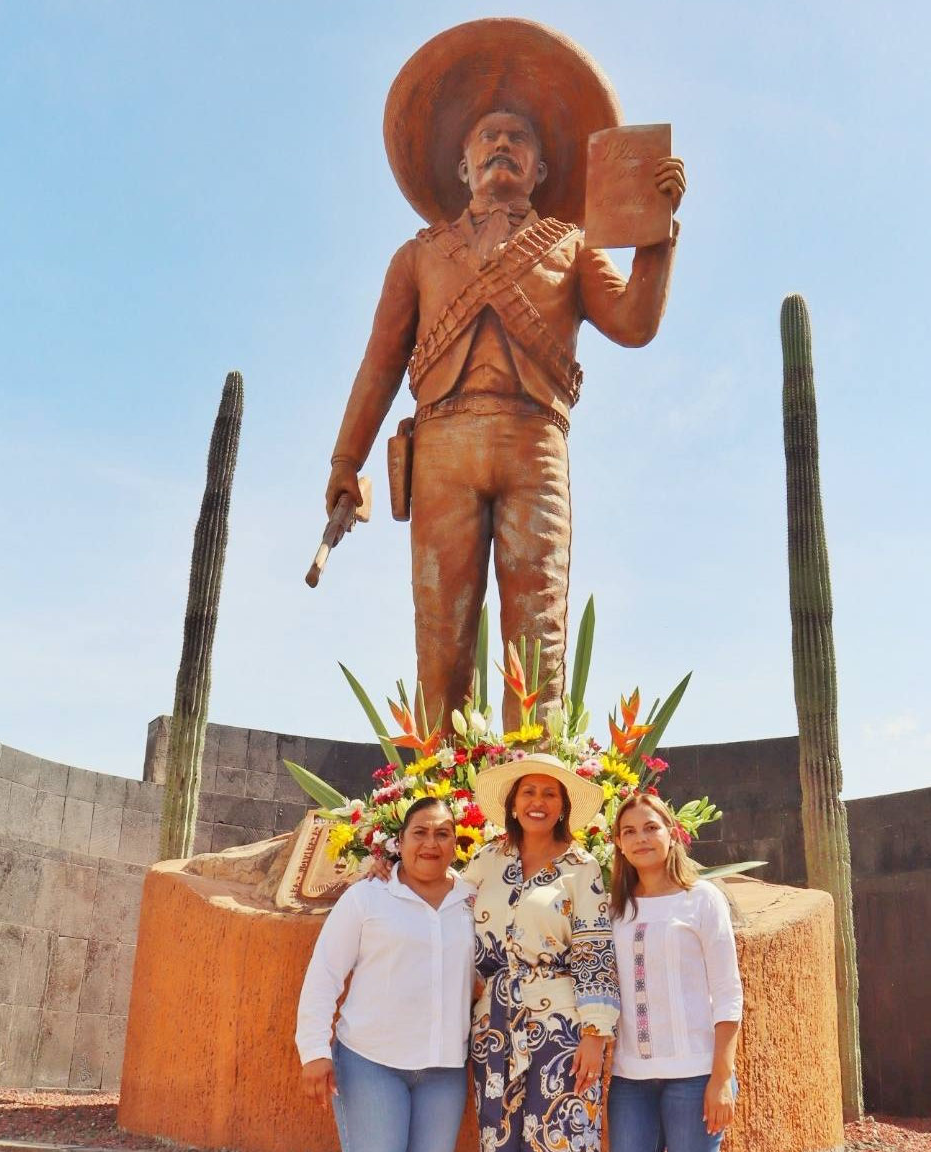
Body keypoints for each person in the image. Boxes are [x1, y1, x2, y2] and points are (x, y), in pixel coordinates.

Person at [323, 19, 686, 729]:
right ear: (461, 167)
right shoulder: (418, 256)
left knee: (538, 642)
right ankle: (440, 794)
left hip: (534, 447)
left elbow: (634, 323)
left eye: (518, 138)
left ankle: (533, 785)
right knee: (440, 649)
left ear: (541, 170)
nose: (501, 144)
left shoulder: (572, 245)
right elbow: (380, 364)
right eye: (487, 136)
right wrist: (345, 461)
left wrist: (657, 237)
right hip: (443, 451)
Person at [296, 797, 475, 1152]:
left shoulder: (472, 901)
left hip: (445, 1071)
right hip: (371, 1063)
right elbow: (325, 972)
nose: (430, 843)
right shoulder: (367, 897)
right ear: (400, 841)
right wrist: (314, 1050)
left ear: (456, 843)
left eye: (442, 834)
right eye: (419, 833)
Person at [465, 751, 619, 1151]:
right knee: (498, 1140)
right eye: (528, 792)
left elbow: (594, 950)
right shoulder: (486, 859)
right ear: (513, 803)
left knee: (560, 1139)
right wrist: (390, 869)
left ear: (563, 806)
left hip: (562, 1029)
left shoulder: (581, 866)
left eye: (550, 794)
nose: (538, 802)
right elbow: (447, 909)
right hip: (493, 1026)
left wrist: (595, 1033)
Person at [608, 792, 743, 1152]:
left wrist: (721, 1078)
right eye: (629, 831)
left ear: (672, 832)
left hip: (695, 1076)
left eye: (651, 828)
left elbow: (728, 994)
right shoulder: (615, 910)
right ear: (619, 843)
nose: (641, 838)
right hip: (630, 1081)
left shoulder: (702, 898)